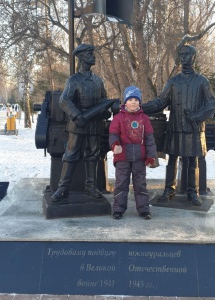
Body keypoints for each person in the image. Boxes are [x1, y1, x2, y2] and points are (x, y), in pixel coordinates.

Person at [142, 44, 215, 206]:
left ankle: (193, 191)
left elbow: (212, 104)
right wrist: (139, 107)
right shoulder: (173, 81)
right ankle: (169, 189)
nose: (183, 57)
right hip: (175, 128)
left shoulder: (202, 81)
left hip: (194, 129)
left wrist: (196, 116)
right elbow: (161, 102)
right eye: (181, 54)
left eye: (187, 54)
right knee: (172, 160)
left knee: (192, 161)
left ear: (193, 57)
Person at [51, 44, 110, 203]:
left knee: (93, 155)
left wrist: (106, 110)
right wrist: (77, 115)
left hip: (94, 125)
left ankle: (91, 187)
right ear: (82, 57)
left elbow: (104, 99)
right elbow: (64, 100)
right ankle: (63, 188)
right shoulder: (73, 80)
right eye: (90, 54)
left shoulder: (98, 80)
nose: (94, 56)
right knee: (70, 155)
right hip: (78, 125)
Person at [109, 86, 157, 219]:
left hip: (139, 159)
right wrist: (115, 145)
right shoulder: (118, 118)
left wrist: (151, 156)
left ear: (140, 102)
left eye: (136, 99)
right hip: (122, 157)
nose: (134, 102)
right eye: (131, 99)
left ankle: (143, 209)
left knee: (140, 184)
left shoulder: (144, 119)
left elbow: (149, 139)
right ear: (125, 102)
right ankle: (118, 209)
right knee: (121, 183)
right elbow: (113, 134)